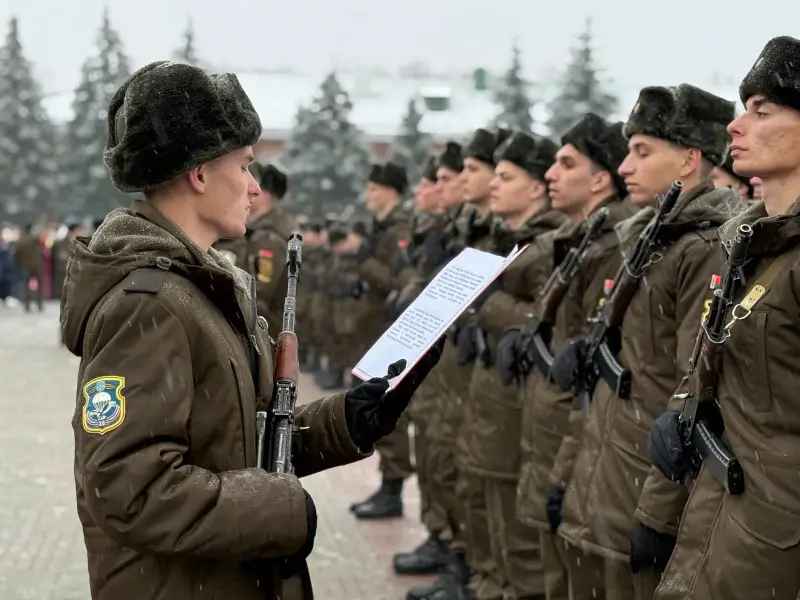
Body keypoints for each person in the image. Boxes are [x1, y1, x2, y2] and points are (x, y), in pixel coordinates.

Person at [60, 60, 442, 600]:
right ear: (199, 173)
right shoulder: (147, 305)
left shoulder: (199, 287)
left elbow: (242, 440)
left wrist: (346, 421)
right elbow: (130, 489)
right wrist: (280, 510)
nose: (255, 188)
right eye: (244, 166)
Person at [650, 35, 800, 600]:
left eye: (762, 111)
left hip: (776, 548)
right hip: (729, 527)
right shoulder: (752, 247)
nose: (736, 127)